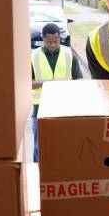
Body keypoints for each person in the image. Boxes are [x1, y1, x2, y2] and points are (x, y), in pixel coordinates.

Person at [32, 23, 82, 162]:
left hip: (65, 106)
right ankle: (38, 174)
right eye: (49, 42)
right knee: (39, 146)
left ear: (60, 38)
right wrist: (50, 84)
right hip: (40, 107)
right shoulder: (33, 56)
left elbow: (79, 80)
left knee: (65, 143)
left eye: (56, 41)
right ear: (43, 39)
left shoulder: (69, 53)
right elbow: (26, 84)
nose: (53, 44)